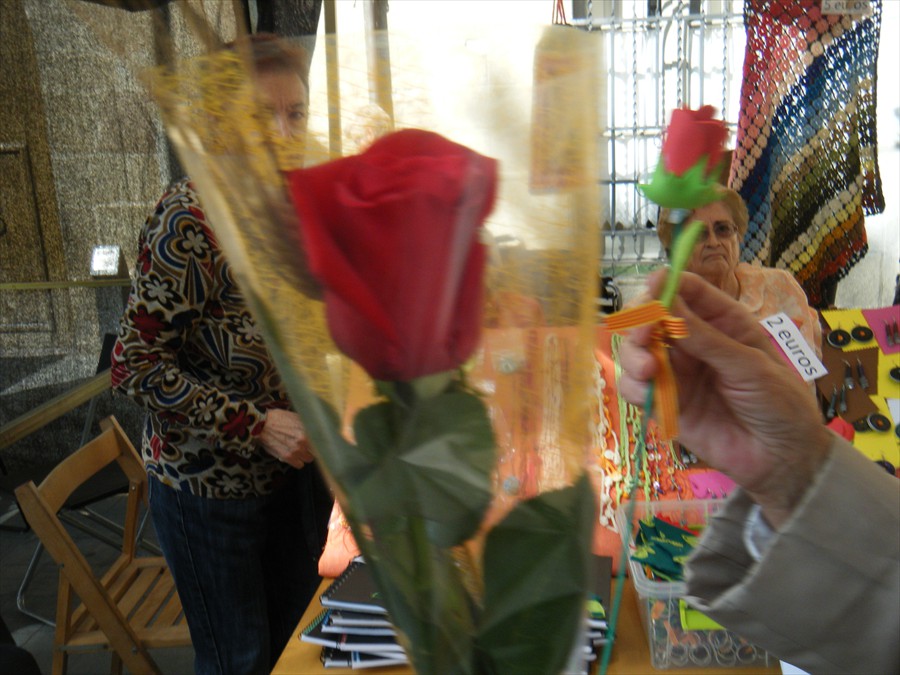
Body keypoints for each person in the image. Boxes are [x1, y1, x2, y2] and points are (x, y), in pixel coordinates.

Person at [111, 34, 332, 675]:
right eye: (262, 116)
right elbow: (133, 366)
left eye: (296, 113)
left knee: (295, 646)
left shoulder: (286, 205)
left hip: (288, 473)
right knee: (239, 658)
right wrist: (256, 424)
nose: (284, 133)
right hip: (208, 489)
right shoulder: (191, 219)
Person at [618, 271, 899, 674]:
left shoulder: (777, 288)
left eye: (724, 235)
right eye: (705, 237)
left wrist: (793, 465)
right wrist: (790, 466)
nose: (716, 244)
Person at [657, 186, 822, 357]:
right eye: (698, 234)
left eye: (723, 229)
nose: (713, 242)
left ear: (739, 236)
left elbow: (806, 367)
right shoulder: (668, 311)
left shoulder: (780, 286)